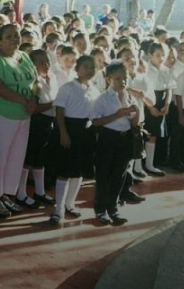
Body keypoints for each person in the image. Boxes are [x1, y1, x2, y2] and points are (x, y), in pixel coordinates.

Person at [0, 24, 37, 218]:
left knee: (15, 158)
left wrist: (34, 99)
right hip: (0, 115)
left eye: (16, 35)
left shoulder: (25, 57)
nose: (14, 39)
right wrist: (24, 100)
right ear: (1, 40)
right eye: (9, 36)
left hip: (23, 116)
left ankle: (7, 194)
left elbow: (35, 82)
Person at [50, 55, 100, 225]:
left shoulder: (94, 89)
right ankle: (58, 209)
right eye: (85, 67)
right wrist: (63, 133)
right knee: (65, 171)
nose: (89, 70)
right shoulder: (68, 88)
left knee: (78, 170)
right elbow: (59, 111)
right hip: (69, 129)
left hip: (86, 132)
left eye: (92, 67)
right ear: (77, 69)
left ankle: (70, 203)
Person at [91, 62, 138, 226]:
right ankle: (100, 208)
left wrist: (136, 113)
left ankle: (113, 206)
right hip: (108, 137)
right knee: (104, 174)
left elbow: (133, 122)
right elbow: (95, 122)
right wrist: (116, 115)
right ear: (109, 79)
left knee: (119, 174)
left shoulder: (128, 96)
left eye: (125, 78)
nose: (122, 82)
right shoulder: (102, 99)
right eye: (118, 79)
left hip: (124, 138)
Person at [16, 50, 58, 208]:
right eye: (41, 62)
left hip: (48, 122)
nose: (45, 65)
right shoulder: (33, 81)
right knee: (28, 158)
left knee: (40, 159)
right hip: (36, 122)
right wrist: (54, 103)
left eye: (47, 61)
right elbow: (33, 108)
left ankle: (39, 191)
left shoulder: (52, 77)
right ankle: (21, 193)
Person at [143, 42, 173, 175]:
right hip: (148, 102)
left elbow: (169, 88)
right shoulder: (145, 70)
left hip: (161, 101)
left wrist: (166, 104)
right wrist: (150, 108)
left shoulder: (166, 69)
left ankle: (150, 163)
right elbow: (141, 91)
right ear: (150, 55)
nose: (161, 58)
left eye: (163, 55)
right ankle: (141, 166)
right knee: (147, 134)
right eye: (157, 55)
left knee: (155, 134)